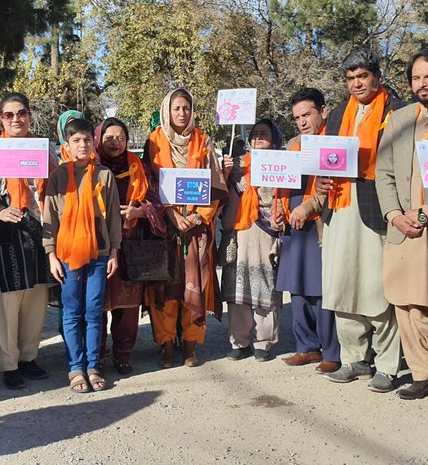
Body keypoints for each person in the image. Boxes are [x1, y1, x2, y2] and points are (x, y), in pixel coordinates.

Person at [375, 49, 428, 407]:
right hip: (402, 226)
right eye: (416, 77)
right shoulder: (399, 118)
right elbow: (383, 172)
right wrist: (394, 215)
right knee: (406, 302)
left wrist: (425, 214)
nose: (422, 84)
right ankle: (422, 372)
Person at [321, 50, 407, 392]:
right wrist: (322, 181)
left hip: (377, 206)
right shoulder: (337, 114)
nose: (356, 84)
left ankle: (386, 365)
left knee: (377, 286)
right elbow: (325, 158)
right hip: (339, 205)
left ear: (377, 77)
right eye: (350, 78)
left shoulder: (397, 110)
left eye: (362, 76)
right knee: (342, 283)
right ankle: (353, 359)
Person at [0, 92, 58, 389]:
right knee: (7, 303)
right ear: (1, 119)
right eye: (9, 115)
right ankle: (9, 364)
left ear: (29, 115)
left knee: (36, 299)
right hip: (5, 233)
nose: (16, 119)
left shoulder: (45, 148)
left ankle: (29, 357)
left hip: (40, 230)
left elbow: (57, 186)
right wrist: (0, 210)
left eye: (21, 113)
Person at [144, 87, 228, 368]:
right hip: (164, 228)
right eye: (176, 108)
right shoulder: (154, 141)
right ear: (166, 111)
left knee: (195, 284)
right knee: (165, 286)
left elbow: (215, 185)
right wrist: (170, 214)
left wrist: (196, 217)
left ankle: (191, 344)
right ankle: (166, 344)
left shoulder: (203, 141)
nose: (182, 113)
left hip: (197, 227)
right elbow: (148, 185)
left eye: (186, 108)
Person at [43, 118, 123, 392]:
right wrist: (51, 255)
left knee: (94, 311)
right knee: (72, 311)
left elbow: (113, 217)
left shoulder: (104, 175)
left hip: (99, 253)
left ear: (93, 143)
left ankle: (93, 365)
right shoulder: (58, 176)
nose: (82, 145)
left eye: (87, 140)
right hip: (67, 255)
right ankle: (75, 367)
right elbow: (50, 217)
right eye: (76, 140)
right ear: (66, 145)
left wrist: (114, 251)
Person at [276, 88, 341, 373]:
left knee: (322, 289)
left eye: (307, 114)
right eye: (297, 118)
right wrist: (279, 210)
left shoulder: (334, 142)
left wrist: (307, 207)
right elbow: (282, 183)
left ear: (323, 111)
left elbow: (332, 186)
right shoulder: (293, 145)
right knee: (298, 287)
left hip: (320, 223)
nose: (302, 122)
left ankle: (332, 351)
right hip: (293, 222)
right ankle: (306, 347)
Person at [96, 117, 164, 374]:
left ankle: (122, 354)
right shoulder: (90, 167)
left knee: (127, 306)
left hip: (130, 245)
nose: (115, 143)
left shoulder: (138, 166)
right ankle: (96, 355)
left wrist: (139, 212)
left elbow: (156, 202)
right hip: (97, 244)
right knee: (96, 304)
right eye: (109, 138)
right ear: (98, 139)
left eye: (121, 138)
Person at [219, 119, 284, 361]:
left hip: (265, 232)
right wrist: (225, 172)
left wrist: (281, 214)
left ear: (274, 139)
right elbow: (221, 192)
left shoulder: (282, 164)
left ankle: (264, 342)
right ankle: (240, 341)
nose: (257, 137)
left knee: (265, 287)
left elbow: (286, 196)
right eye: (255, 133)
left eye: (264, 133)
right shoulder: (236, 164)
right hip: (238, 232)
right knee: (237, 290)